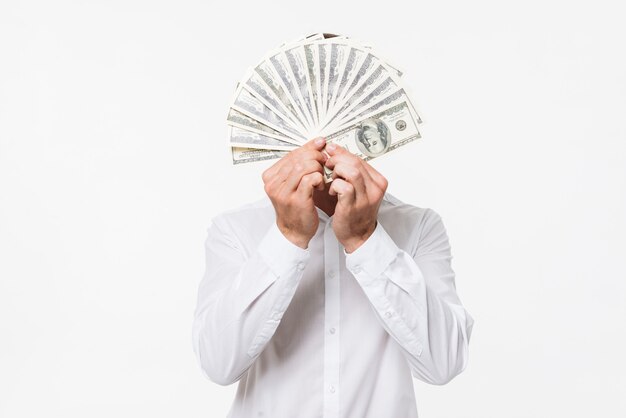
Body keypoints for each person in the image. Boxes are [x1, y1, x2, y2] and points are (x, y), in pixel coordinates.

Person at [192, 137, 474, 418]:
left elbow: (444, 363)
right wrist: (288, 237)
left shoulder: (420, 226)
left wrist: (365, 239)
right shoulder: (235, 228)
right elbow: (218, 364)